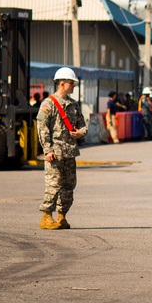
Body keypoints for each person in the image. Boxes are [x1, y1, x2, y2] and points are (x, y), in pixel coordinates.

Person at [37, 67, 87, 230]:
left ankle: (61, 216)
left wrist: (80, 132)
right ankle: (46, 217)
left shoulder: (73, 105)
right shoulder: (48, 103)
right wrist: (47, 150)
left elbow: (82, 124)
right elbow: (42, 127)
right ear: (62, 84)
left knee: (69, 185)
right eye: (71, 84)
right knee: (53, 184)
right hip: (55, 152)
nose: (73, 86)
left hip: (69, 152)